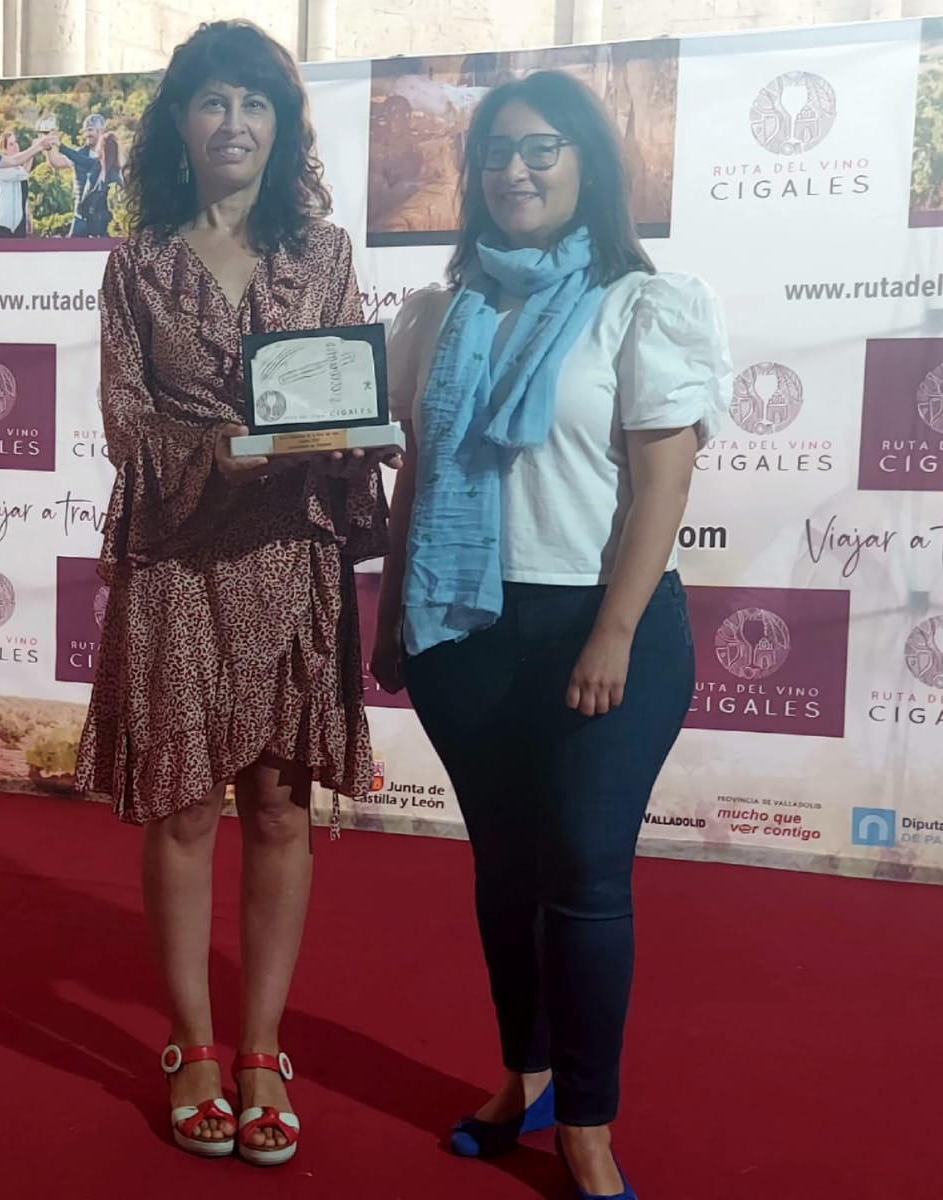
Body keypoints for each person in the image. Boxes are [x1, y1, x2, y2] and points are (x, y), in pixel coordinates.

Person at [370, 71, 731, 1200]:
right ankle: (521, 1076)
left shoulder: (641, 302)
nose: (515, 170)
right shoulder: (436, 313)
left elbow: (663, 487)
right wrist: (392, 612)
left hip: (599, 625)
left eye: (541, 149)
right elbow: (419, 474)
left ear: (587, 165)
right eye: (495, 152)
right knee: (505, 873)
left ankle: (586, 1121)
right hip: (462, 626)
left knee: (582, 875)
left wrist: (612, 633)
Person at [74, 19, 392, 1169]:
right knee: (180, 807)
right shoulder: (137, 262)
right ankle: (193, 1046)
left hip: (287, 552)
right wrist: (220, 454)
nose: (234, 123)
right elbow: (125, 421)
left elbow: (339, 391)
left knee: (277, 805)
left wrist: (351, 438)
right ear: (179, 122)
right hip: (175, 554)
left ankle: (262, 1049)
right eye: (213, 101)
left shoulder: (324, 252)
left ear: (282, 124)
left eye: (255, 103)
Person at [47, 114, 124, 237]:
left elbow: (118, 202)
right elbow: (79, 159)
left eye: (90, 130)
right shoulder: (95, 164)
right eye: (86, 130)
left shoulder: (115, 174)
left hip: (103, 223)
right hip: (83, 216)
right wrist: (56, 145)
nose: (87, 134)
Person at [0, 129, 56, 237]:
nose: (15, 146)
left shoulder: (18, 169)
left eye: (15, 142)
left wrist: (28, 216)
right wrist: (35, 148)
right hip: (4, 223)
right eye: (11, 144)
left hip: (19, 222)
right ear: (4, 150)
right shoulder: (2, 169)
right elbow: (25, 172)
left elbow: (23, 196)